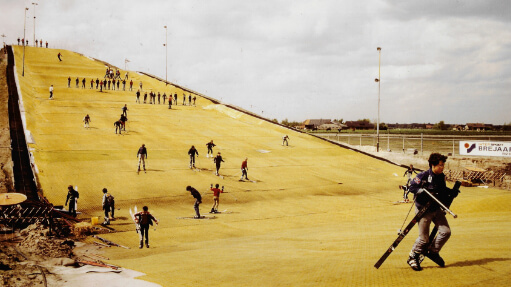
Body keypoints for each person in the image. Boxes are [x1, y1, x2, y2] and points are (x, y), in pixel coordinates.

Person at [407, 153, 458, 271]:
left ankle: (433, 251)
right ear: (432, 165)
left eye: (443, 165)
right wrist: (422, 191)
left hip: (436, 208)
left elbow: (443, 191)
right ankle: (412, 257)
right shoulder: (423, 176)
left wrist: (451, 192)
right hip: (423, 210)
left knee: (446, 231)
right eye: (440, 165)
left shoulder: (441, 177)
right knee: (424, 238)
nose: (442, 167)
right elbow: (412, 187)